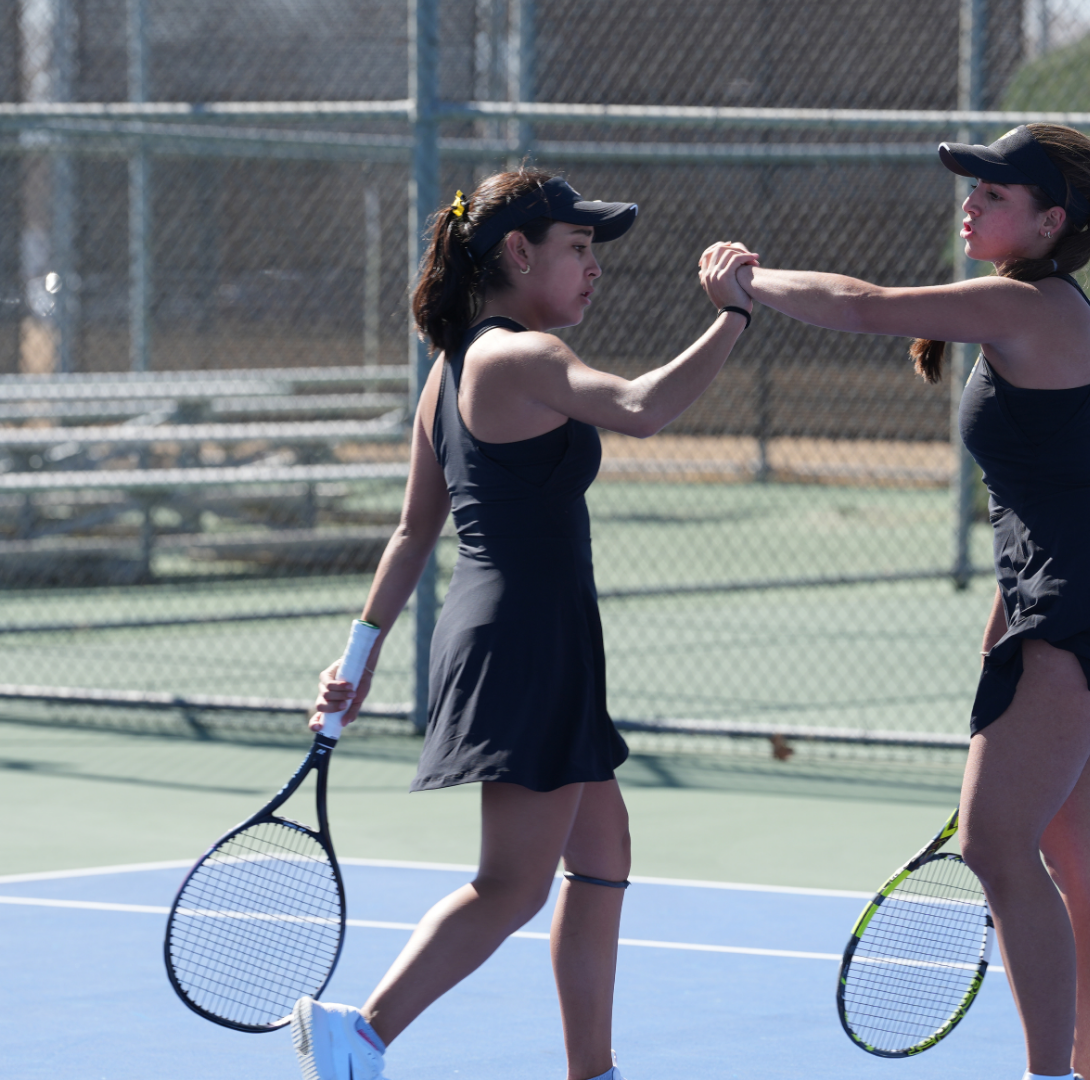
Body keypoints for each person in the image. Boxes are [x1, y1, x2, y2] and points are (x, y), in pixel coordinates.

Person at [705, 124, 1090, 1080]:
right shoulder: (1027, 308)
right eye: (975, 188)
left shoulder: (1033, 306)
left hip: (1079, 608)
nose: (971, 202)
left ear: (1050, 221)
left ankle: (1052, 1076)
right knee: (1082, 869)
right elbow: (1048, 489)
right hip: (1081, 601)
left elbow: (867, 307)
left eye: (995, 194)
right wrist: (1007, 607)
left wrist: (747, 282)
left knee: (1001, 851)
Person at [292, 169, 757, 1080]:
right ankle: (363, 1035)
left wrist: (358, 654)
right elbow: (642, 409)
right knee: (511, 883)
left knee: (603, 852)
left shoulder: (450, 373)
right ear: (518, 253)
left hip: (530, 633)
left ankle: (594, 1069)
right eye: (577, 250)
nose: (593, 269)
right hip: (524, 641)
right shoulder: (519, 357)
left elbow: (409, 531)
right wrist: (733, 315)